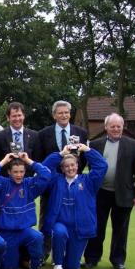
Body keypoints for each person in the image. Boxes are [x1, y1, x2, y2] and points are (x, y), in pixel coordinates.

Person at [83, 113, 135, 269]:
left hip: (124, 194)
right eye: (113, 126)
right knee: (96, 228)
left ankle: (117, 260)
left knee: (121, 230)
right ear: (106, 128)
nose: (116, 129)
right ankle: (92, 258)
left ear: (122, 127)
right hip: (100, 193)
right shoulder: (95, 144)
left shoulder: (133, 145)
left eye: (119, 126)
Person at [42, 144, 107, 269]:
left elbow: (102, 166)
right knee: (59, 233)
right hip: (60, 223)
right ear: (62, 168)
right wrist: (61, 154)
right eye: (66, 166)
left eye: (73, 165)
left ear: (77, 166)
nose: (70, 168)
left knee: (72, 268)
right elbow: (45, 167)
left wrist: (87, 150)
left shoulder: (88, 181)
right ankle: (58, 264)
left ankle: (64, 259)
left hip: (80, 228)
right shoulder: (56, 181)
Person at [0, 152, 51, 269]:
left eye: (21, 171)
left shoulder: (29, 184)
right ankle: (0, 262)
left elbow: (46, 175)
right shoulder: (3, 184)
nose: (19, 175)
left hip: (24, 231)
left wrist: (28, 160)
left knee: (37, 237)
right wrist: (4, 160)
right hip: (6, 233)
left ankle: (35, 268)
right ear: (9, 172)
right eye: (15, 172)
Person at [38, 100, 88, 258]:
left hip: (73, 182)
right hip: (52, 183)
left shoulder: (81, 132)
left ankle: (69, 253)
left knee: (72, 216)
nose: (64, 115)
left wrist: (73, 172)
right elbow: (41, 159)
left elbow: (84, 158)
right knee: (46, 216)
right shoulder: (43, 133)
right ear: (54, 115)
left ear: (70, 114)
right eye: (60, 113)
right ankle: (44, 253)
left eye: (66, 112)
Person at [0, 102, 41, 176]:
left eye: (19, 115)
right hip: (7, 180)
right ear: (8, 117)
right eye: (14, 116)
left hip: (28, 179)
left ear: (24, 116)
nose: (17, 119)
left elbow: (38, 158)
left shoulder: (34, 135)